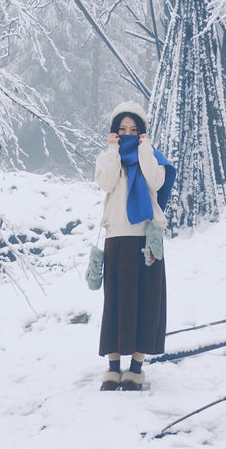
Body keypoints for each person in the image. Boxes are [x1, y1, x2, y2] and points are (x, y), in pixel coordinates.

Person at [94, 100, 175, 391]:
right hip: (117, 236)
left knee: (147, 302)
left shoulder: (151, 156)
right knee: (115, 302)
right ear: (114, 132)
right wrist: (115, 150)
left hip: (147, 237)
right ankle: (113, 368)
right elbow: (106, 183)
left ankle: (136, 368)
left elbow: (155, 181)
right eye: (122, 129)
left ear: (142, 132)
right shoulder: (107, 157)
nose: (127, 133)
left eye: (134, 129)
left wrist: (144, 149)